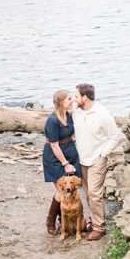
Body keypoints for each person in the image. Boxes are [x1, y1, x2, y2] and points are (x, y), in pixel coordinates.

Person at [72, 83, 123, 240]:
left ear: (84, 97)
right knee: (88, 194)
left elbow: (115, 136)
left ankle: (99, 227)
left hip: (97, 159)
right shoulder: (76, 113)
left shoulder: (103, 114)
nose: (74, 99)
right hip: (82, 159)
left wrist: (104, 154)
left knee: (95, 193)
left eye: (76, 96)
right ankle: (93, 221)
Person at [43, 89, 82, 235]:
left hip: (70, 153)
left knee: (71, 190)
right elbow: (53, 145)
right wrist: (65, 163)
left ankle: (64, 222)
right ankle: (51, 221)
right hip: (56, 157)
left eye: (72, 98)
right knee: (62, 192)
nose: (72, 101)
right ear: (61, 103)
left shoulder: (69, 115)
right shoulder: (52, 120)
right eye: (69, 99)